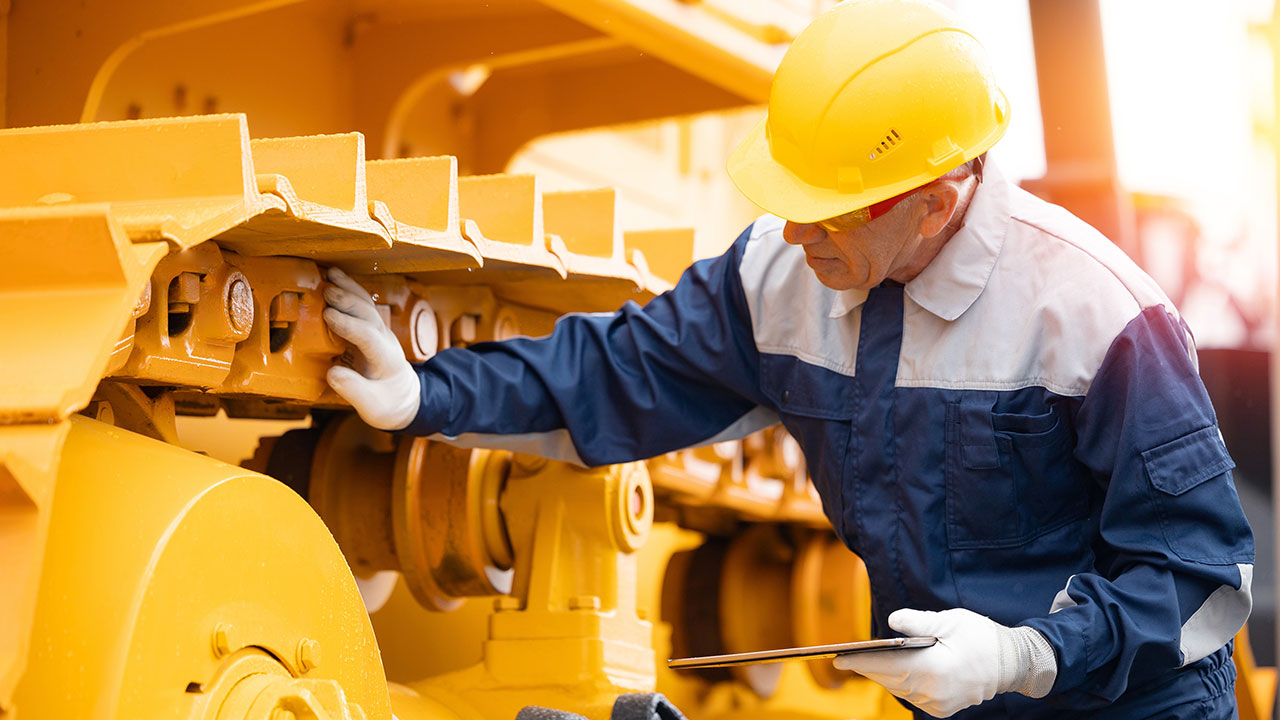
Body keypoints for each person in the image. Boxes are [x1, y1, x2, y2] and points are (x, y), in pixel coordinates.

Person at [319, 0, 1255, 717]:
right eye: (788, 195)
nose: (797, 229)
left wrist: (1026, 655)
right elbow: (623, 371)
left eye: (831, 208)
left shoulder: (1097, 312)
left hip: (1137, 701)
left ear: (935, 198)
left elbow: (1199, 578)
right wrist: (426, 391)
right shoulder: (781, 273)